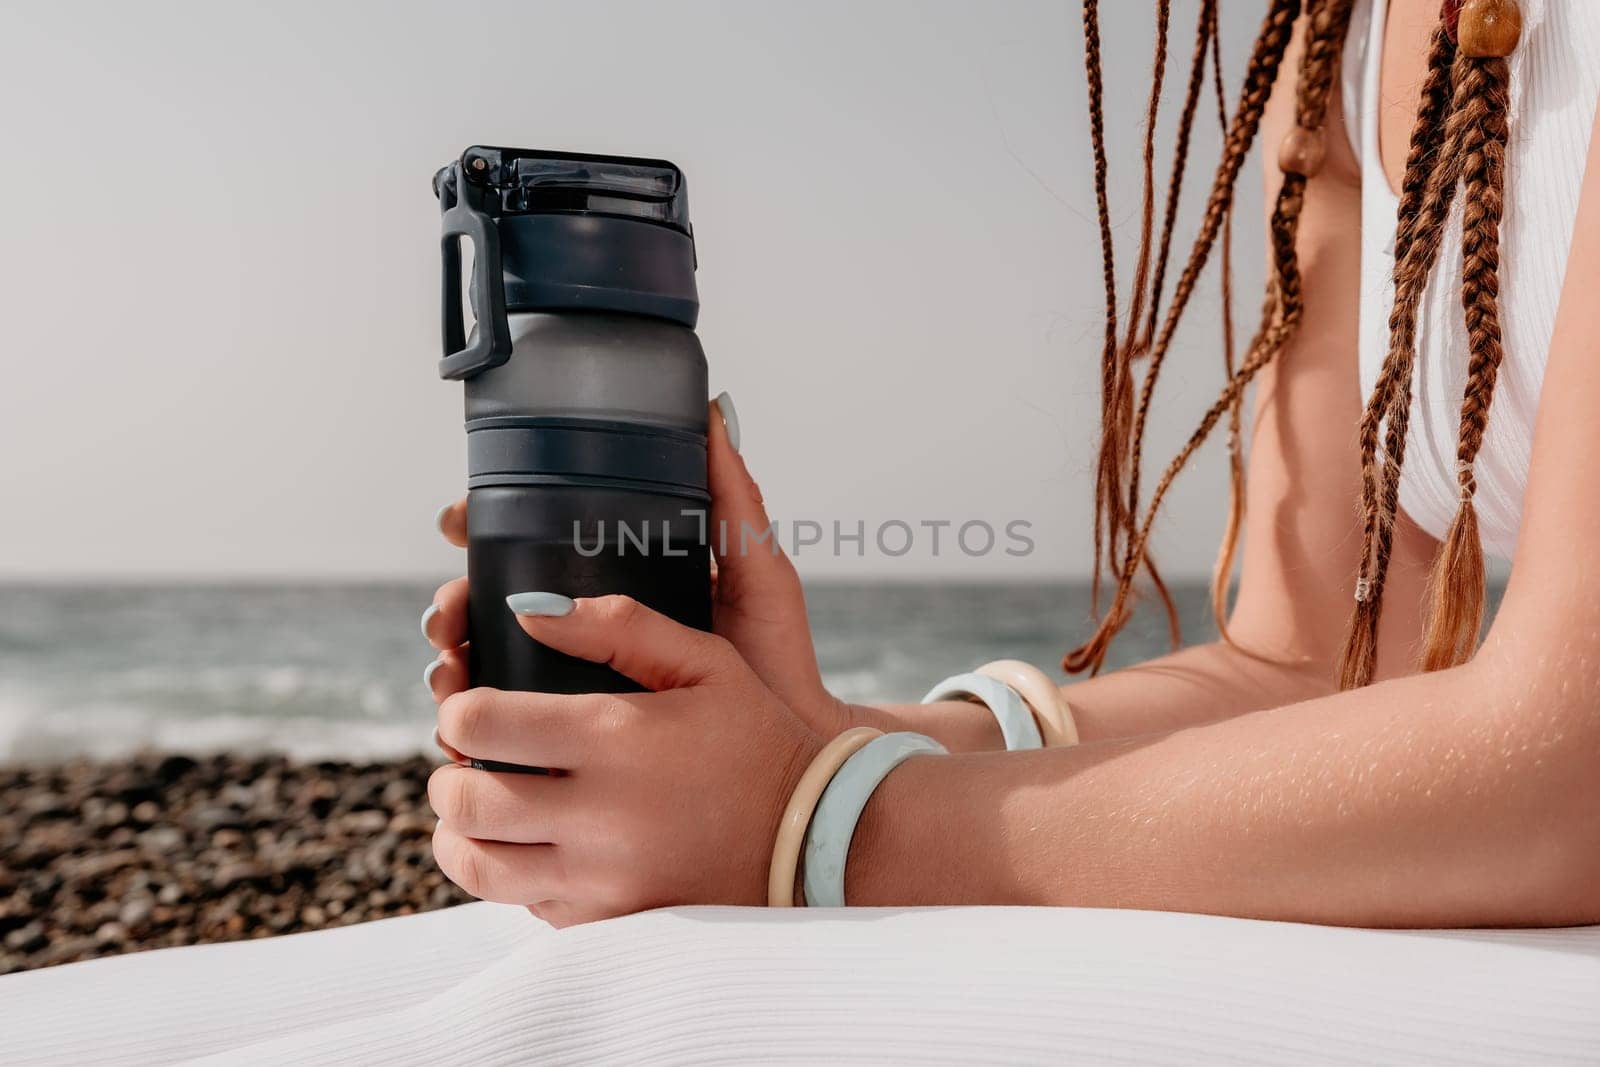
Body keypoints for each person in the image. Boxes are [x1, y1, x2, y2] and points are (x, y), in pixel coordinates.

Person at [420, 0, 1600, 930]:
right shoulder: (1345, 43)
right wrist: (832, 739)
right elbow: (1311, 669)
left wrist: (823, 820)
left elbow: (1571, 776)